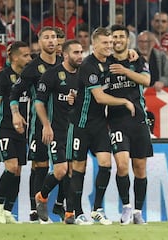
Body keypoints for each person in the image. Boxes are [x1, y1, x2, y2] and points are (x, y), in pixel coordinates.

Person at [64, 27, 135, 225]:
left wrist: (132, 53)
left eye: (111, 43)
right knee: (78, 168)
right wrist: (124, 102)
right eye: (105, 43)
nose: (109, 46)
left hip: (99, 125)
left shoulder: (110, 62)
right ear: (94, 45)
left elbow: (125, 59)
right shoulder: (88, 65)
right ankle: (75, 212)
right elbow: (99, 96)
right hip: (80, 123)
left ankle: (97, 209)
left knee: (106, 164)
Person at [10, 26, 61, 223]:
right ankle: (35, 209)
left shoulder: (65, 63)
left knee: (65, 167)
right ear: (39, 42)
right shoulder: (33, 67)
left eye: (54, 37)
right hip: (39, 124)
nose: (51, 41)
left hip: (63, 123)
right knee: (40, 165)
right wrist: (16, 114)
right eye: (46, 37)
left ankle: (61, 205)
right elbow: (15, 93)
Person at [108, 24, 153, 225]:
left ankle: (137, 211)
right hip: (116, 120)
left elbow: (146, 80)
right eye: (114, 37)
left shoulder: (138, 60)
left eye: (121, 37)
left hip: (139, 121)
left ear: (128, 40)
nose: (117, 40)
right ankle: (126, 206)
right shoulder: (104, 62)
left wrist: (125, 71)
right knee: (122, 165)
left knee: (140, 168)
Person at [34, 39, 83, 222]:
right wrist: (46, 125)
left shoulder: (83, 76)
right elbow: (39, 102)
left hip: (75, 130)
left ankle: (70, 213)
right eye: (76, 53)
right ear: (65, 54)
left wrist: (75, 100)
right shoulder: (52, 75)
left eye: (81, 52)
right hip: (56, 130)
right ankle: (42, 196)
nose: (80, 56)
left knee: (73, 171)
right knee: (61, 170)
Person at [0, 41, 32, 224]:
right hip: (4, 127)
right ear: (14, 57)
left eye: (29, 55)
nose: (29, 59)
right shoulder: (2, 77)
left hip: (22, 129)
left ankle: (7, 210)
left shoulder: (28, 77)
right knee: (11, 167)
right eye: (25, 55)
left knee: (18, 171)